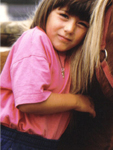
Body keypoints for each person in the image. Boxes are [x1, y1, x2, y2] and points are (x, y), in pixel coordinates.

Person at [0, 0, 95, 149]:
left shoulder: (69, 57)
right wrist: (78, 101)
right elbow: (29, 102)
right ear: (46, 12)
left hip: (46, 144)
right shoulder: (35, 40)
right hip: (17, 140)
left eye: (82, 24)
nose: (70, 29)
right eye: (64, 16)